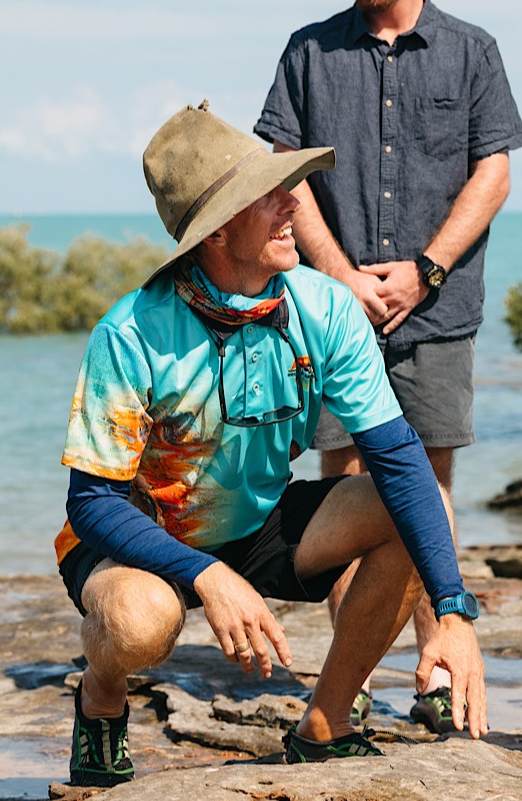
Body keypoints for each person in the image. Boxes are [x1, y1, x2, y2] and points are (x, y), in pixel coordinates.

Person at [54, 102, 487, 788]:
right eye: (269, 195)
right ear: (219, 229)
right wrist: (204, 573)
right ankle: (101, 693)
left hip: (259, 522)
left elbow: (399, 459)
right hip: (138, 541)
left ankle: (325, 723)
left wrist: (455, 609)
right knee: (141, 624)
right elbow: (91, 503)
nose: (294, 203)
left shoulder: (325, 308)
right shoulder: (133, 331)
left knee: (416, 504)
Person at [255, 0, 522, 733]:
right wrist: (337, 276)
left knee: (429, 481)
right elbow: (281, 175)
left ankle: (435, 665)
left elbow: (494, 170)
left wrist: (425, 270)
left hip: (436, 307)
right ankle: (349, 679)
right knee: (343, 486)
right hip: (329, 311)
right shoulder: (308, 50)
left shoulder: (472, 49)